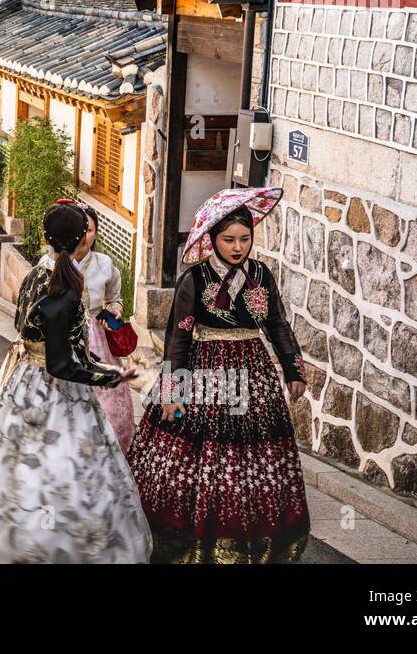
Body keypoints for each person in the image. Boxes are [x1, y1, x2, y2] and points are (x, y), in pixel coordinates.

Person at [0, 202, 152, 563]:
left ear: (46, 238)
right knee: (70, 464)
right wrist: (108, 375)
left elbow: (31, 334)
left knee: (12, 458)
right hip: (57, 390)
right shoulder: (67, 289)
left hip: (23, 380)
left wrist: (104, 369)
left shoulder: (34, 277)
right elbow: (61, 364)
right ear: (79, 240)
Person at [126, 187, 309, 564]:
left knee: (250, 454)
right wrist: (172, 390)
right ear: (212, 240)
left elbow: (277, 324)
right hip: (205, 371)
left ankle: (249, 536)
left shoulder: (261, 275)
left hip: (252, 371)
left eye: (245, 239)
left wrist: (293, 368)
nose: (238, 247)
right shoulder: (194, 279)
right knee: (206, 449)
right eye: (228, 240)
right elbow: (178, 337)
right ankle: (193, 537)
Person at [37, 203, 135, 450]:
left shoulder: (105, 264)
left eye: (90, 230)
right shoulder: (46, 265)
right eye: (83, 230)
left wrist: (114, 310)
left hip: (96, 337)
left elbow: (115, 298)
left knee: (108, 407)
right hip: (64, 337)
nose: (86, 236)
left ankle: (107, 450)